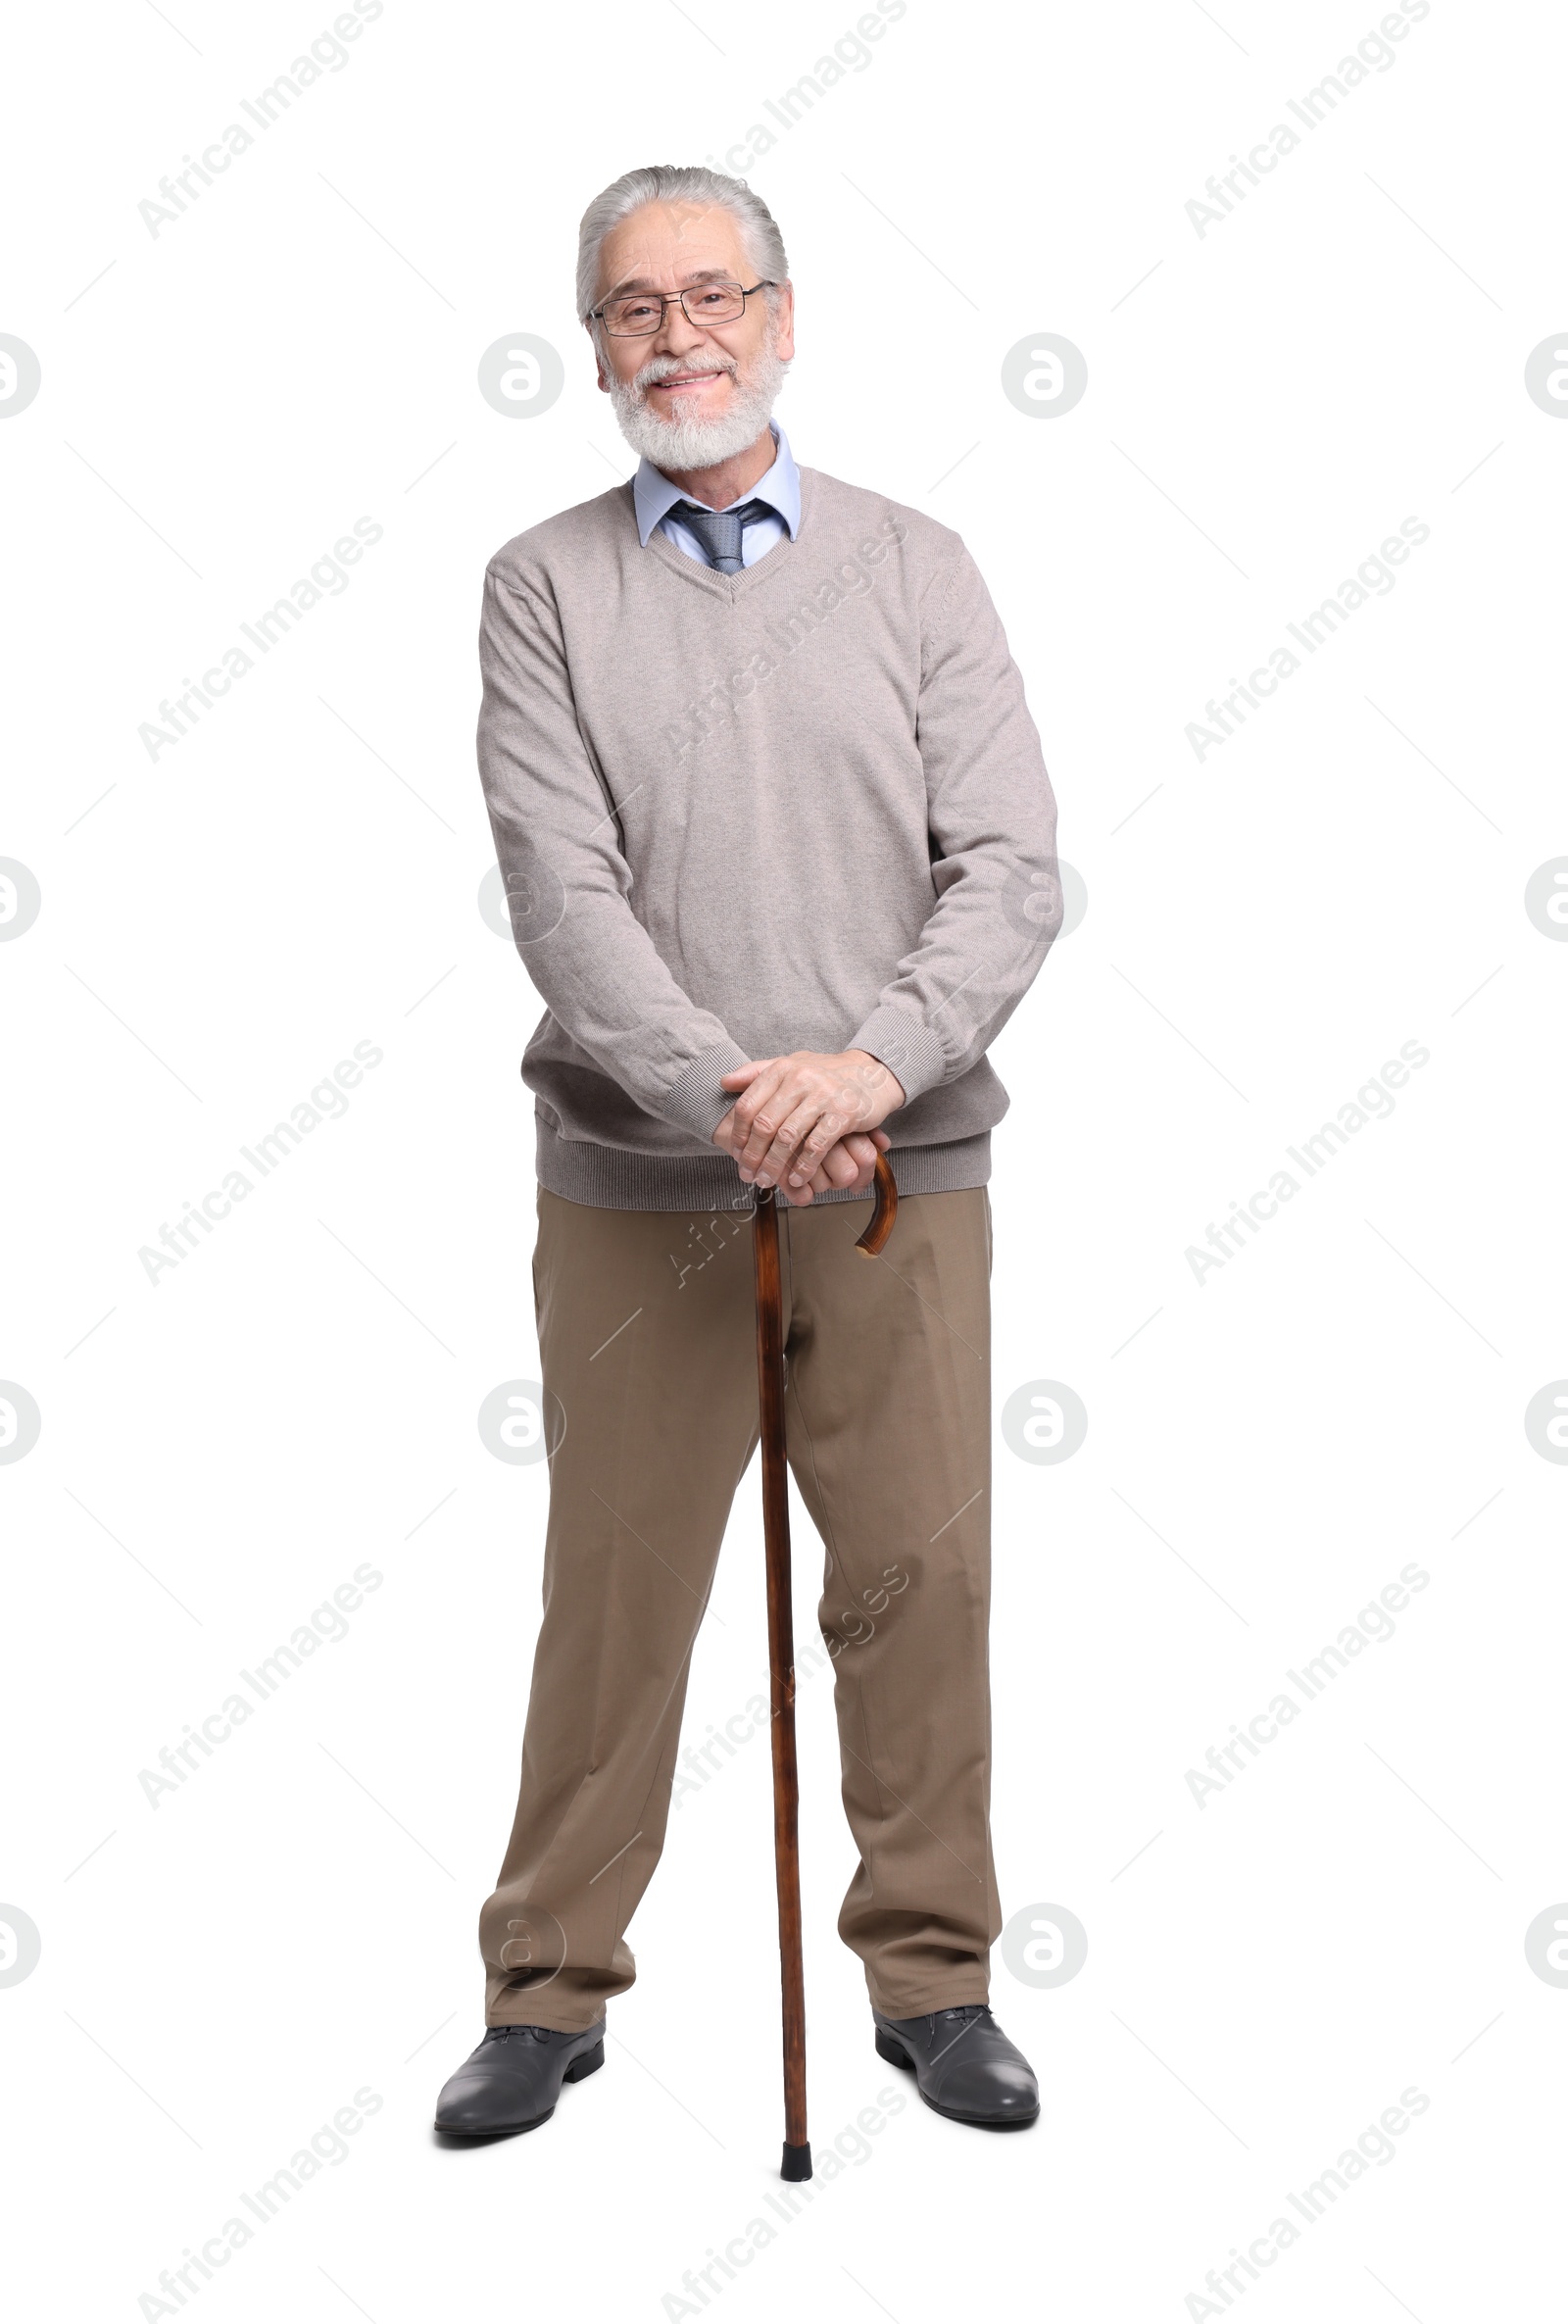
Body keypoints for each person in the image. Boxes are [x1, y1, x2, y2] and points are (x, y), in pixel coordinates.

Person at [434, 164, 1062, 2144]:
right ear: (594, 343)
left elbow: (1008, 866)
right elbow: (561, 885)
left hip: (897, 1177)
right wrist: (730, 1090)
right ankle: (545, 1986)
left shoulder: (916, 564)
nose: (677, 335)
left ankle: (934, 1975)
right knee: (614, 1585)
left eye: (713, 294)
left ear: (781, 319)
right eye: (634, 306)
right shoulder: (539, 584)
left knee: (911, 1579)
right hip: (641, 1190)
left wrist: (859, 1073)